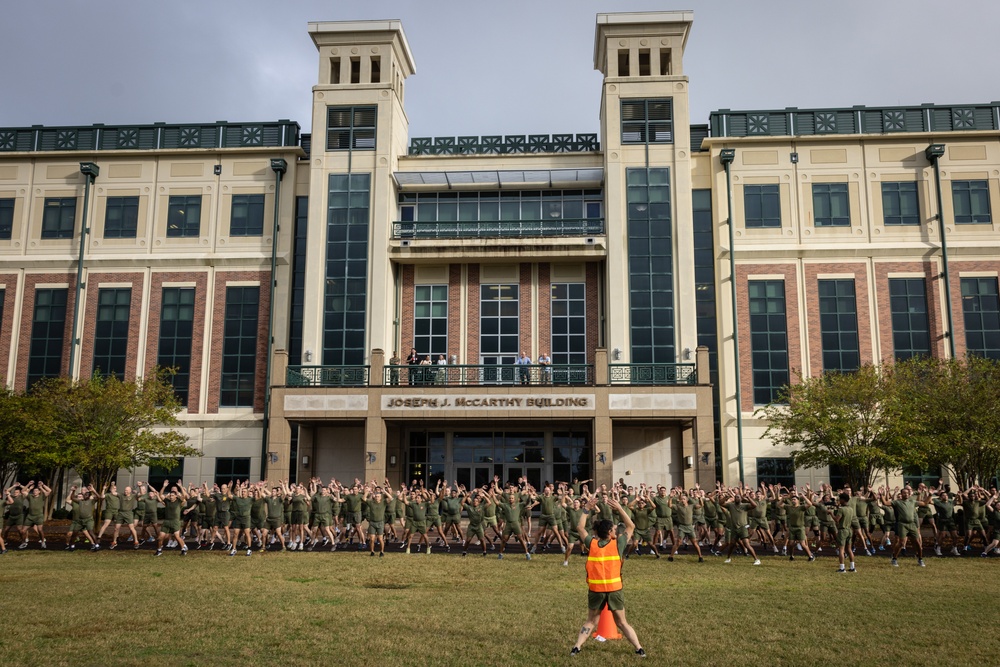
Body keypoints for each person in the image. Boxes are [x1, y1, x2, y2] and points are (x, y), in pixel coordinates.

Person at [569, 495, 646, 658]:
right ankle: (639, 648)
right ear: (610, 532)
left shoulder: (593, 544)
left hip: (596, 589)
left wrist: (586, 509)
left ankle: (577, 647)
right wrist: (619, 508)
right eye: (614, 529)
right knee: (622, 622)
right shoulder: (618, 544)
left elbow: (580, 528)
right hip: (614, 590)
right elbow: (631, 525)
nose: (616, 530)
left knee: (591, 621)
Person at [834, 492, 857, 572]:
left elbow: (837, 520)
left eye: (840, 499)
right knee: (849, 549)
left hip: (842, 530)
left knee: (841, 549)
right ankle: (852, 567)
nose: (839, 500)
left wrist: (830, 513)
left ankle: (842, 568)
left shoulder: (841, 509)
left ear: (843, 500)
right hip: (849, 530)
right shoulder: (851, 509)